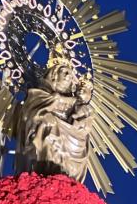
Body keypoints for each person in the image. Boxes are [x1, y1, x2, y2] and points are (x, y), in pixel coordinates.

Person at [14, 44, 93, 182]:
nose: (69, 76)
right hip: (48, 132)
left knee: (81, 136)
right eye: (65, 72)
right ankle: (46, 170)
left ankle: (69, 179)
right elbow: (32, 113)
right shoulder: (38, 94)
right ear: (54, 75)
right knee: (47, 125)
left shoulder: (76, 102)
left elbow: (83, 118)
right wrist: (49, 112)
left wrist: (82, 120)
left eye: (71, 73)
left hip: (72, 137)